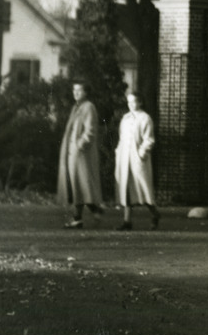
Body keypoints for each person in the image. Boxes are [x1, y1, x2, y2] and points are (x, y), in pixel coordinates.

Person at [57, 81, 104, 229]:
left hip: (81, 153)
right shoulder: (76, 107)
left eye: (79, 90)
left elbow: (90, 130)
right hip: (72, 151)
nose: (75, 93)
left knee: (81, 184)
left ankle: (80, 216)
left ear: (86, 93)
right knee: (77, 184)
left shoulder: (89, 107)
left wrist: (80, 145)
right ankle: (92, 211)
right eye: (74, 90)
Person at [113, 91, 160, 231]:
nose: (131, 105)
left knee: (143, 188)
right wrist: (118, 151)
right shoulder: (125, 118)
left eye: (134, 102)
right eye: (129, 102)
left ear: (140, 102)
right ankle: (127, 221)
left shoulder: (145, 118)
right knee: (126, 188)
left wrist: (141, 153)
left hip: (138, 159)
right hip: (124, 157)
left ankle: (154, 213)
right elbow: (122, 137)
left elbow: (149, 139)